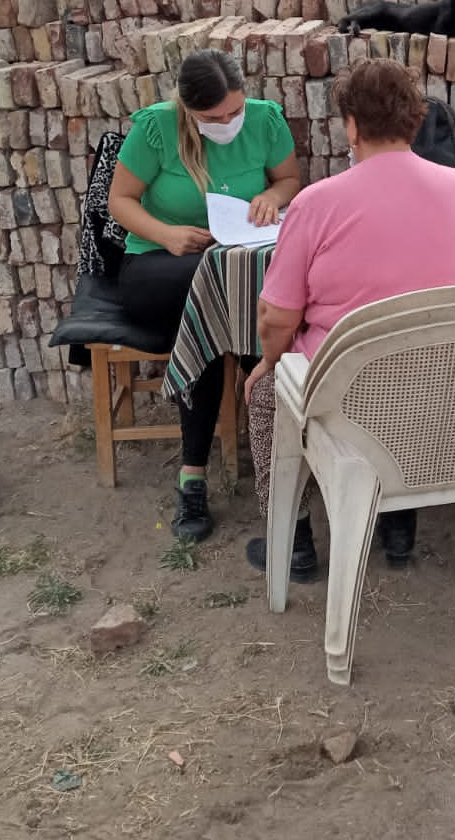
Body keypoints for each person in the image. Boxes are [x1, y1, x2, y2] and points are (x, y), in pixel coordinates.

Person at [240, 59, 455, 581]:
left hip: (349, 396)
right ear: (416, 122)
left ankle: (295, 541)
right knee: (407, 357)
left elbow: (277, 317)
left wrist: (267, 363)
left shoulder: (316, 203)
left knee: (264, 395)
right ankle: (398, 531)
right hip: (446, 386)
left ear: (350, 126)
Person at [107, 48, 301, 542]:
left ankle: (280, 475)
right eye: (213, 118)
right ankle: (193, 475)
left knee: (260, 308)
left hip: (236, 261)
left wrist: (271, 199)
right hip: (160, 265)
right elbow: (120, 201)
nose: (228, 123)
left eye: (235, 111)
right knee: (211, 313)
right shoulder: (155, 129)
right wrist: (167, 234)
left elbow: (288, 181)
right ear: (188, 109)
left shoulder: (265, 120)